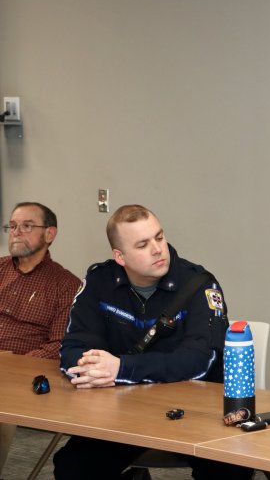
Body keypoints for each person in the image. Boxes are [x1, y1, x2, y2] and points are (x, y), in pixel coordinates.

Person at [53, 205, 252, 480]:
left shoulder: (199, 284)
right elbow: (73, 347)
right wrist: (91, 368)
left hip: (198, 413)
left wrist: (121, 368)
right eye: (143, 245)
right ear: (120, 256)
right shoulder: (99, 282)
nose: (158, 249)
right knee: (74, 467)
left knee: (231, 469)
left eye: (159, 237)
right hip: (125, 412)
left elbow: (200, 359)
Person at [0, 202, 81, 476]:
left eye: (27, 226)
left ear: (49, 234)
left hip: (17, 377)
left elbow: (59, 346)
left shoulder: (65, 285)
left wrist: (9, 367)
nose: (16, 232)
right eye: (12, 226)